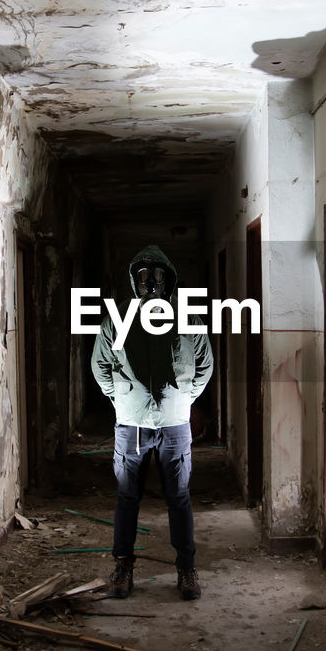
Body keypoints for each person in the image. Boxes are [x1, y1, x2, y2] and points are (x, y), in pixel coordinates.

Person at [91, 244, 213, 601]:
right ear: (134, 280)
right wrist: (122, 399)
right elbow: (100, 365)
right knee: (128, 498)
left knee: (179, 497)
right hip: (132, 424)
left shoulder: (188, 318)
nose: (151, 283)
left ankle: (187, 570)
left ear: (169, 279)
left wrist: (184, 400)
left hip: (174, 424)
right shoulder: (117, 319)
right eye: (144, 276)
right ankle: (123, 568)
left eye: (157, 275)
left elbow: (204, 364)